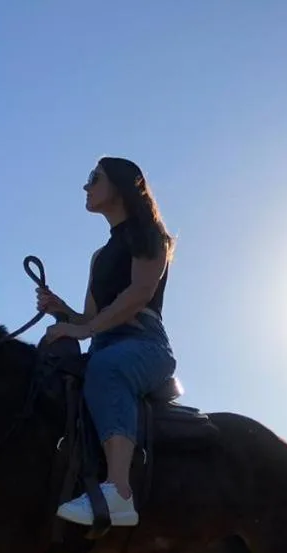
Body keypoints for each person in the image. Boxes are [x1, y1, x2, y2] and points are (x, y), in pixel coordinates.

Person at [35, 156, 176, 527]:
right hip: (104, 343)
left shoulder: (151, 236)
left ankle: (119, 493)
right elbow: (90, 318)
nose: (86, 185)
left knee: (106, 368)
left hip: (144, 345)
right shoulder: (99, 257)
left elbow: (139, 294)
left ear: (121, 185)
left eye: (94, 178)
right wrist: (62, 313)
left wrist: (82, 330)